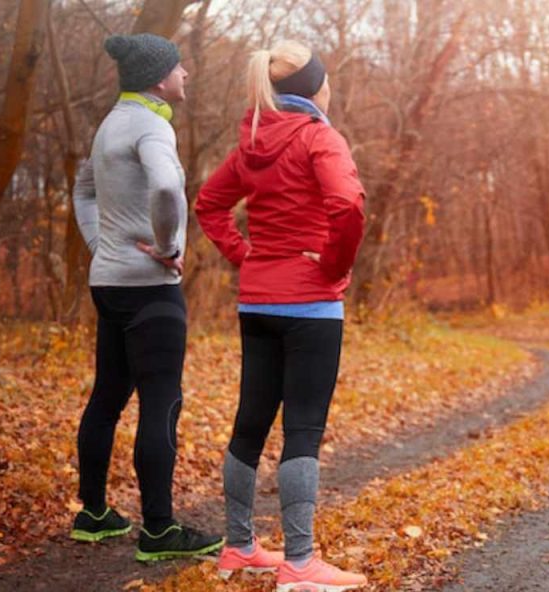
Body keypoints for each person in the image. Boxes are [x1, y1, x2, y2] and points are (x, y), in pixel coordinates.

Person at [195, 40, 367, 591]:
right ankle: (299, 563)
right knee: (303, 429)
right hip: (311, 305)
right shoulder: (320, 137)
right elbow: (349, 205)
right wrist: (335, 267)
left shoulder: (252, 141)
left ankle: (240, 548)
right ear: (315, 88)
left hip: (258, 302)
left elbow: (209, 204)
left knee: (250, 424)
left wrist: (248, 258)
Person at [71, 33, 223, 562]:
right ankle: (158, 530)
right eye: (180, 69)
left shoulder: (110, 123)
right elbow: (165, 188)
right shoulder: (152, 126)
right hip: (149, 289)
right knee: (161, 401)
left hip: (108, 283)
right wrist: (167, 246)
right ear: (160, 78)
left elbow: (83, 190)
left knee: (108, 397)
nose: (186, 76)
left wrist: (100, 245)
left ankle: (92, 513)